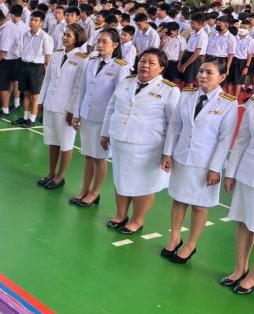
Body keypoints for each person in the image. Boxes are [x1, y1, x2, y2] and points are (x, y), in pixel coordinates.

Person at [161, 59, 237, 263]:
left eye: (209, 73)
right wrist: (167, 153)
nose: (202, 76)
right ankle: (175, 237)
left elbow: (225, 139)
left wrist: (215, 169)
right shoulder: (187, 95)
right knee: (178, 199)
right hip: (182, 157)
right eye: (201, 71)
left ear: (222, 77)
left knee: (199, 206)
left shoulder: (228, 103)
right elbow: (175, 126)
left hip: (206, 163)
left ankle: (190, 244)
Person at [101, 48, 179, 235]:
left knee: (142, 185)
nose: (145, 65)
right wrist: (105, 132)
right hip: (121, 140)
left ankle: (137, 220)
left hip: (148, 147)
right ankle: (120, 215)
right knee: (121, 180)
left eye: (151, 63)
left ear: (161, 68)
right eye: (143, 61)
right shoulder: (127, 82)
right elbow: (112, 107)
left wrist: (168, 152)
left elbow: (174, 125)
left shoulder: (169, 90)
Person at [70, 29, 130, 207]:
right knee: (88, 155)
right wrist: (76, 113)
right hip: (88, 115)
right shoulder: (92, 61)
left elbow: (120, 99)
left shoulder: (120, 66)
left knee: (99, 158)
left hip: (104, 120)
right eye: (99, 41)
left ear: (115, 45)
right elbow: (82, 88)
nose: (100, 45)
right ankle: (84, 189)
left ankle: (94, 193)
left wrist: (111, 126)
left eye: (105, 42)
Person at [38, 24, 88, 190]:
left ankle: (60, 176)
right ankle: (51, 173)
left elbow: (79, 87)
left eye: (68, 35)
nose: (64, 37)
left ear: (77, 38)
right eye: (64, 34)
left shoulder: (82, 58)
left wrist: (73, 110)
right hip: (50, 104)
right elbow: (48, 79)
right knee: (53, 141)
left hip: (66, 108)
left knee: (66, 144)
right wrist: (40, 101)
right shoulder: (57, 54)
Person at [223, 92, 254, 294]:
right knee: (244, 222)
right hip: (248, 171)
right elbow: (242, 139)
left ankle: (252, 276)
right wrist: (231, 173)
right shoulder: (252, 101)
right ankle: (239, 268)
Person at [14, 10, 53, 127]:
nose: (32, 22)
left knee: (35, 95)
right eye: (31, 19)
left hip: (37, 68)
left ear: (41, 23)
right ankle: (25, 117)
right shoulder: (25, 34)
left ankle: (32, 119)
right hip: (24, 65)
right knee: (26, 93)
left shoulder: (45, 37)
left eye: (36, 20)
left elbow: (48, 56)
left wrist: (46, 69)